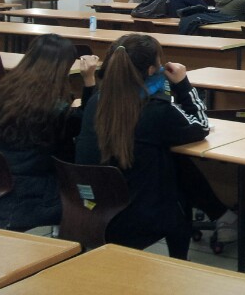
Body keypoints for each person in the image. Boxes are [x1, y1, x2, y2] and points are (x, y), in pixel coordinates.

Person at [75, 34, 235, 259]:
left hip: (94, 210)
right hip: (140, 217)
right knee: (177, 174)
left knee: (173, 161)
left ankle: (221, 214)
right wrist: (183, 84)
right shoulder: (156, 109)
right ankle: (187, 252)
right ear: (151, 70)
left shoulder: (96, 101)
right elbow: (201, 126)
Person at [0, 35, 98, 231]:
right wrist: (89, 81)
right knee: (91, 195)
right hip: (32, 196)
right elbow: (86, 124)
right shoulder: (54, 110)